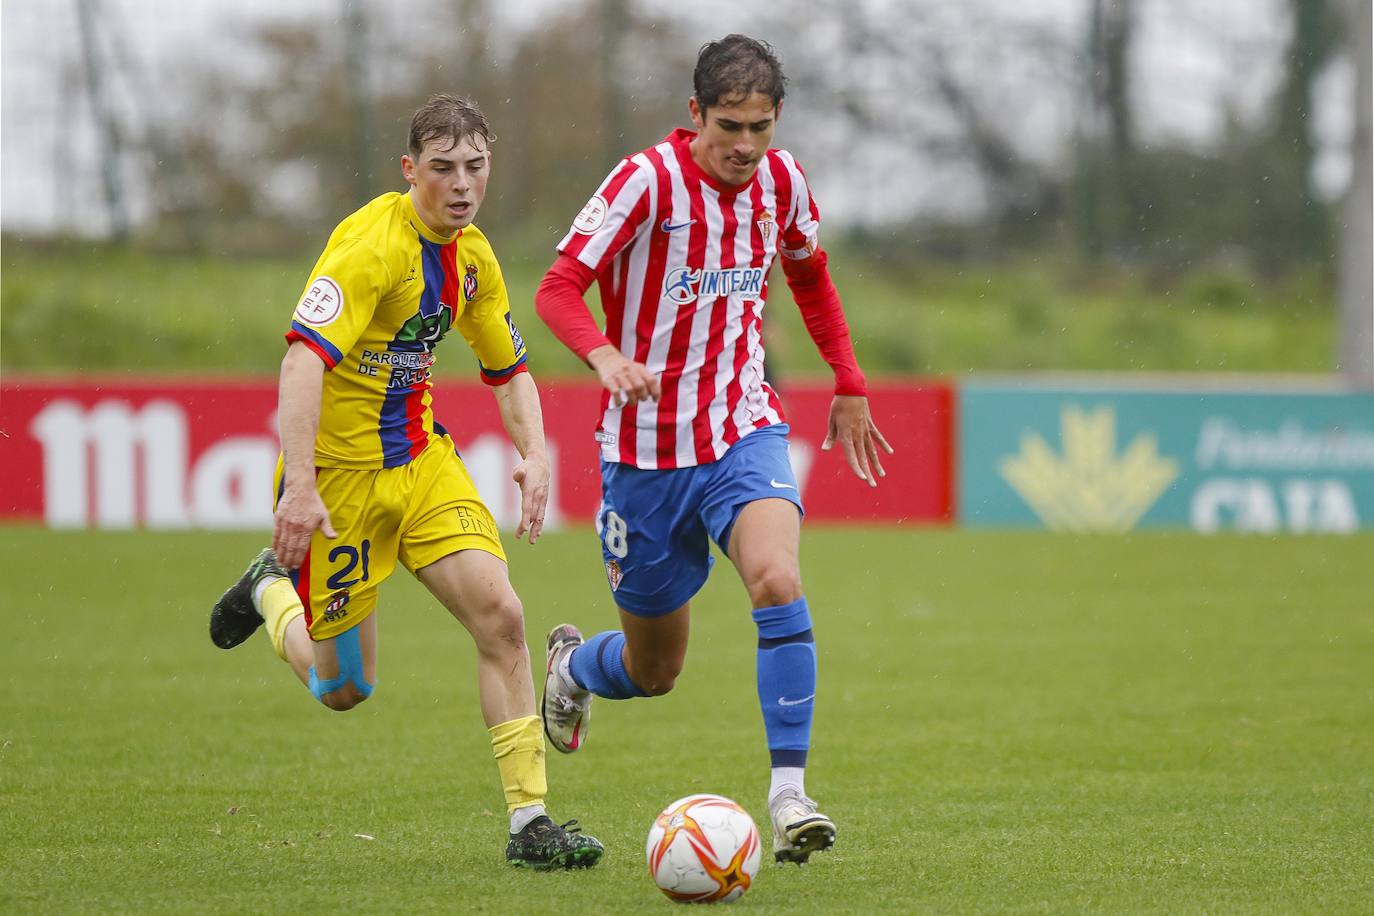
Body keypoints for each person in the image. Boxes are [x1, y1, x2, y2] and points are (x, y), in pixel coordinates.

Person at [208, 94, 603, 871]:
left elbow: (509, 369)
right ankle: (269, 589)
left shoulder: (474, 257)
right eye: (443, 168)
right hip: (338, 486)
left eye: (476, 166)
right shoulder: (368, 248)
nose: (462, 185)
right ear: (409, 170)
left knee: (502, 617)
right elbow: (300, 362)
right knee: (345, 690)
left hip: (421, 464)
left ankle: (531, 825)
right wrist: (299, 491)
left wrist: (537, 453)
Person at [533, 35, 891, 865]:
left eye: (760, 127)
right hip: (643, 456)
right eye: (729, 125)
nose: (744, 145)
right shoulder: (644, 181)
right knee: (657, 671)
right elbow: (557, 288)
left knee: (778, 578)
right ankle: (575, 667)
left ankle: (789, 795)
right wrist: (606, 358)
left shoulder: (783, 182)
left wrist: (849, 378)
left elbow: (810, 275)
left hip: (742, 427)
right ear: (694, 113)